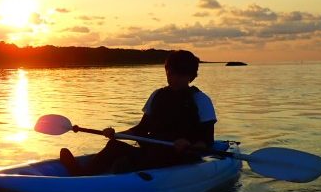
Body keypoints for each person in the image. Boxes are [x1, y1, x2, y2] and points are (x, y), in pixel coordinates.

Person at [59, 50, 216, 176]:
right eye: (170, 73)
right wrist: (115, 134)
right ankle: (81, 174)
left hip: (180, 157)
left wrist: (190, 146)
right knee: (114, 145)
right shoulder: (157, 95)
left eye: (180, 75)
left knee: (128, 163)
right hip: (152, 152)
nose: (173, 79)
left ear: (191, 76)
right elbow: (140, 130)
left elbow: (207, 141)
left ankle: (128, 169)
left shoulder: (201, 100)